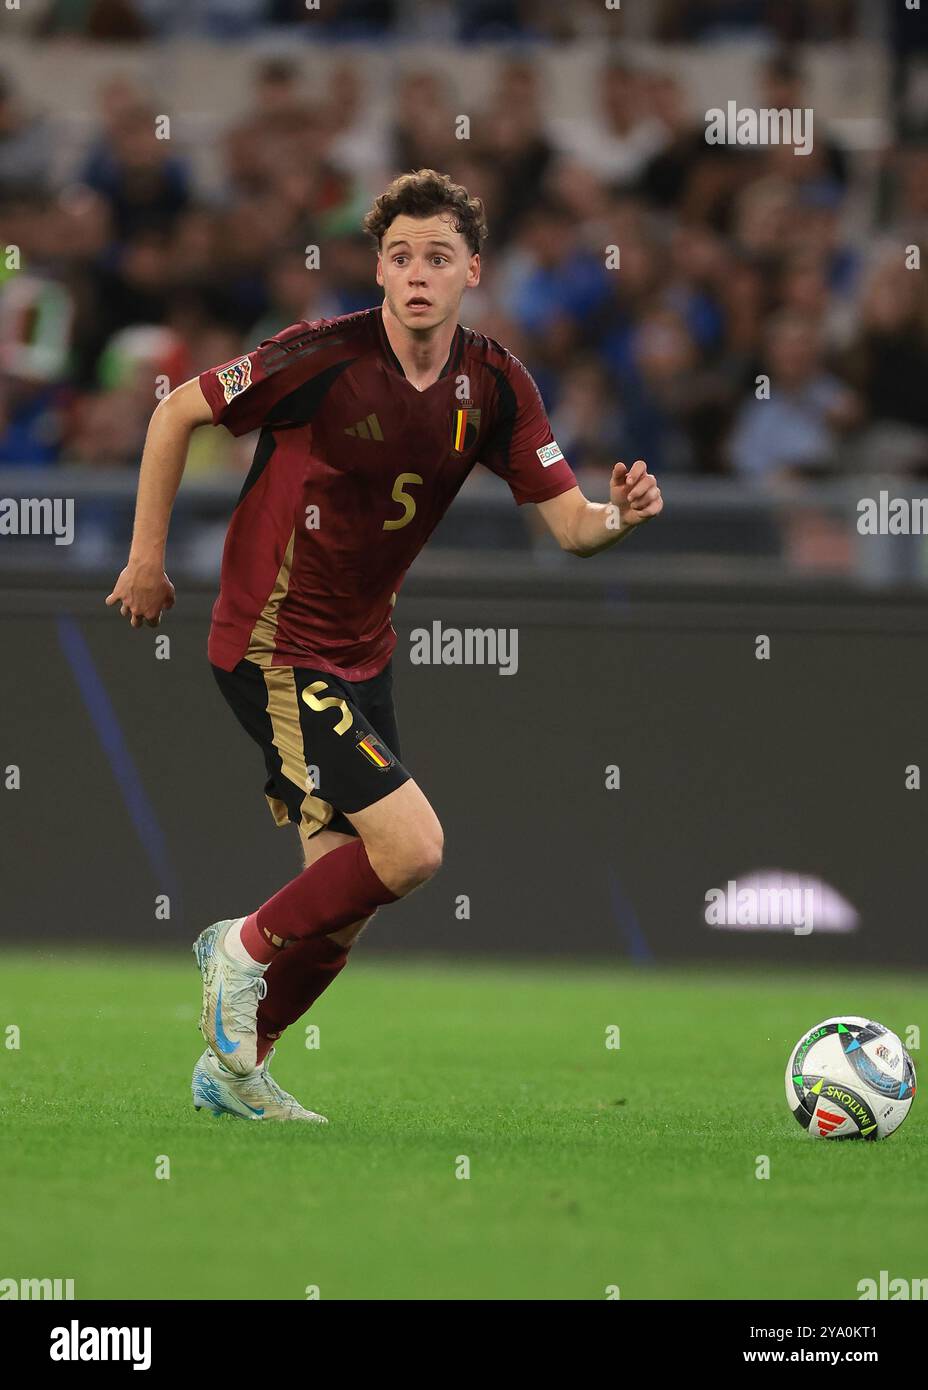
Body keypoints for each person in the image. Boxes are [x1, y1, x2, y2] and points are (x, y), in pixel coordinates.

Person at [106, 168, 663, 1122]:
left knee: (345, 896)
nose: (417, 274)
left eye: (438, 258)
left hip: (363, 655)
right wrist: (147, 559)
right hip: (272, 644)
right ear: (379, 266)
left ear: (471, 272)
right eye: (401, 256)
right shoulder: (318, 356)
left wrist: (622, 516)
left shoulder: (493, 384)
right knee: (411, 851)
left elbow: (570, 526)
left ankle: (235, 1074)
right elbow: (175, 411)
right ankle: (234, 949)